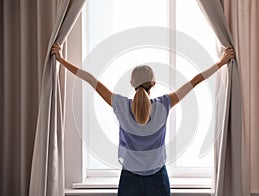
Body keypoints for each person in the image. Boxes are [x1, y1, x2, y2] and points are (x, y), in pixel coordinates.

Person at [51, 42, 235, 196]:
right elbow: (195, 81)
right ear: (153, 84)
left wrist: (61, 59)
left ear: (132, 84)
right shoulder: (164, 104)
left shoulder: (120, 105)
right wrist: (221, 63)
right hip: (158, 178)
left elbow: (90, 79)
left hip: (129, 178)